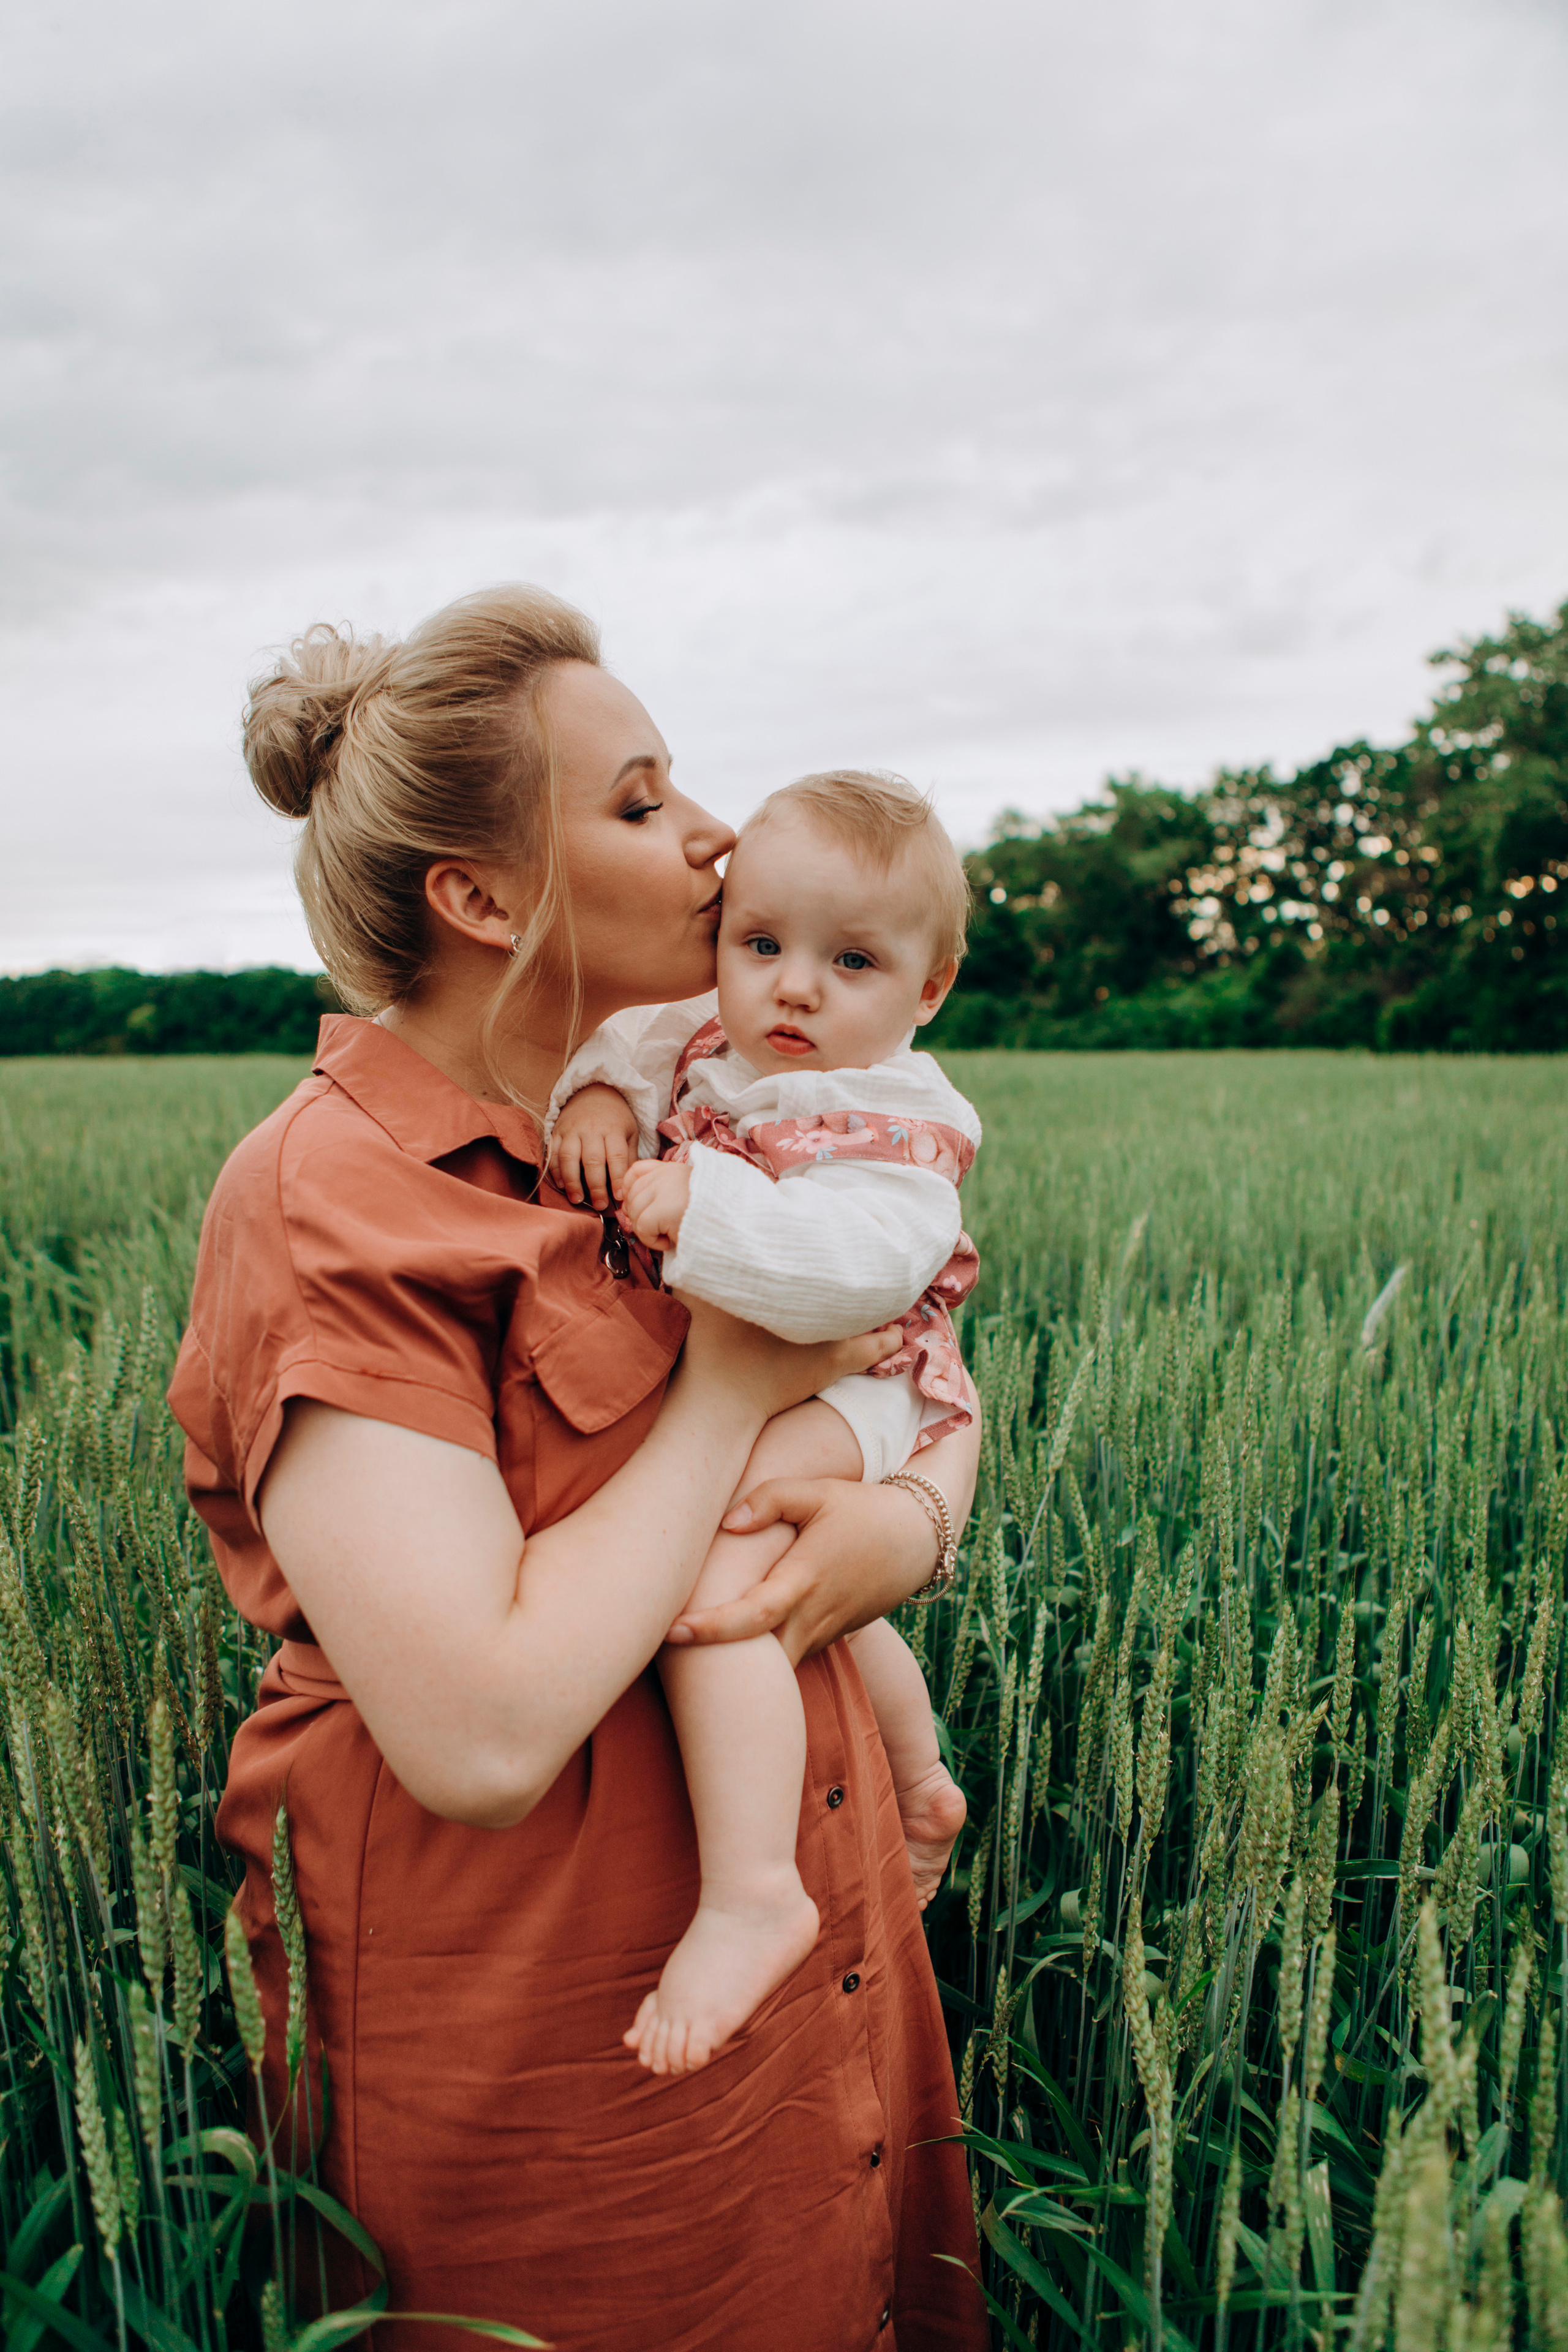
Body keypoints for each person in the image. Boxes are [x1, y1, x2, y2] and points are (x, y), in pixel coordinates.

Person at [167, 587, 989, 2352]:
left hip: (816, 1991)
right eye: (636, 803)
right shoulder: (339, 1196)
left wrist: (910, 1517)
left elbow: (920, 1363)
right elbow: (474, 1734)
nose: (711, 840)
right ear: (478, 899)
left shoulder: (682, 1126)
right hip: (558, 2042)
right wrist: (739, 1388)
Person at [546, 769, 976, 2080]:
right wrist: (600, 1102)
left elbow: (857, 1273)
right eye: (761, 945)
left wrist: (707, 1218)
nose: (791, 987)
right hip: (780, 1375)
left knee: (727, 1555)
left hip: (857, 1379)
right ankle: (914, 1769)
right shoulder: (709, 1046)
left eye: (849, 960)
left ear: (926, 991)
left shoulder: (896, 1121)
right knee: (808, 1571)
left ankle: (751, 1888)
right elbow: (630, 1039)